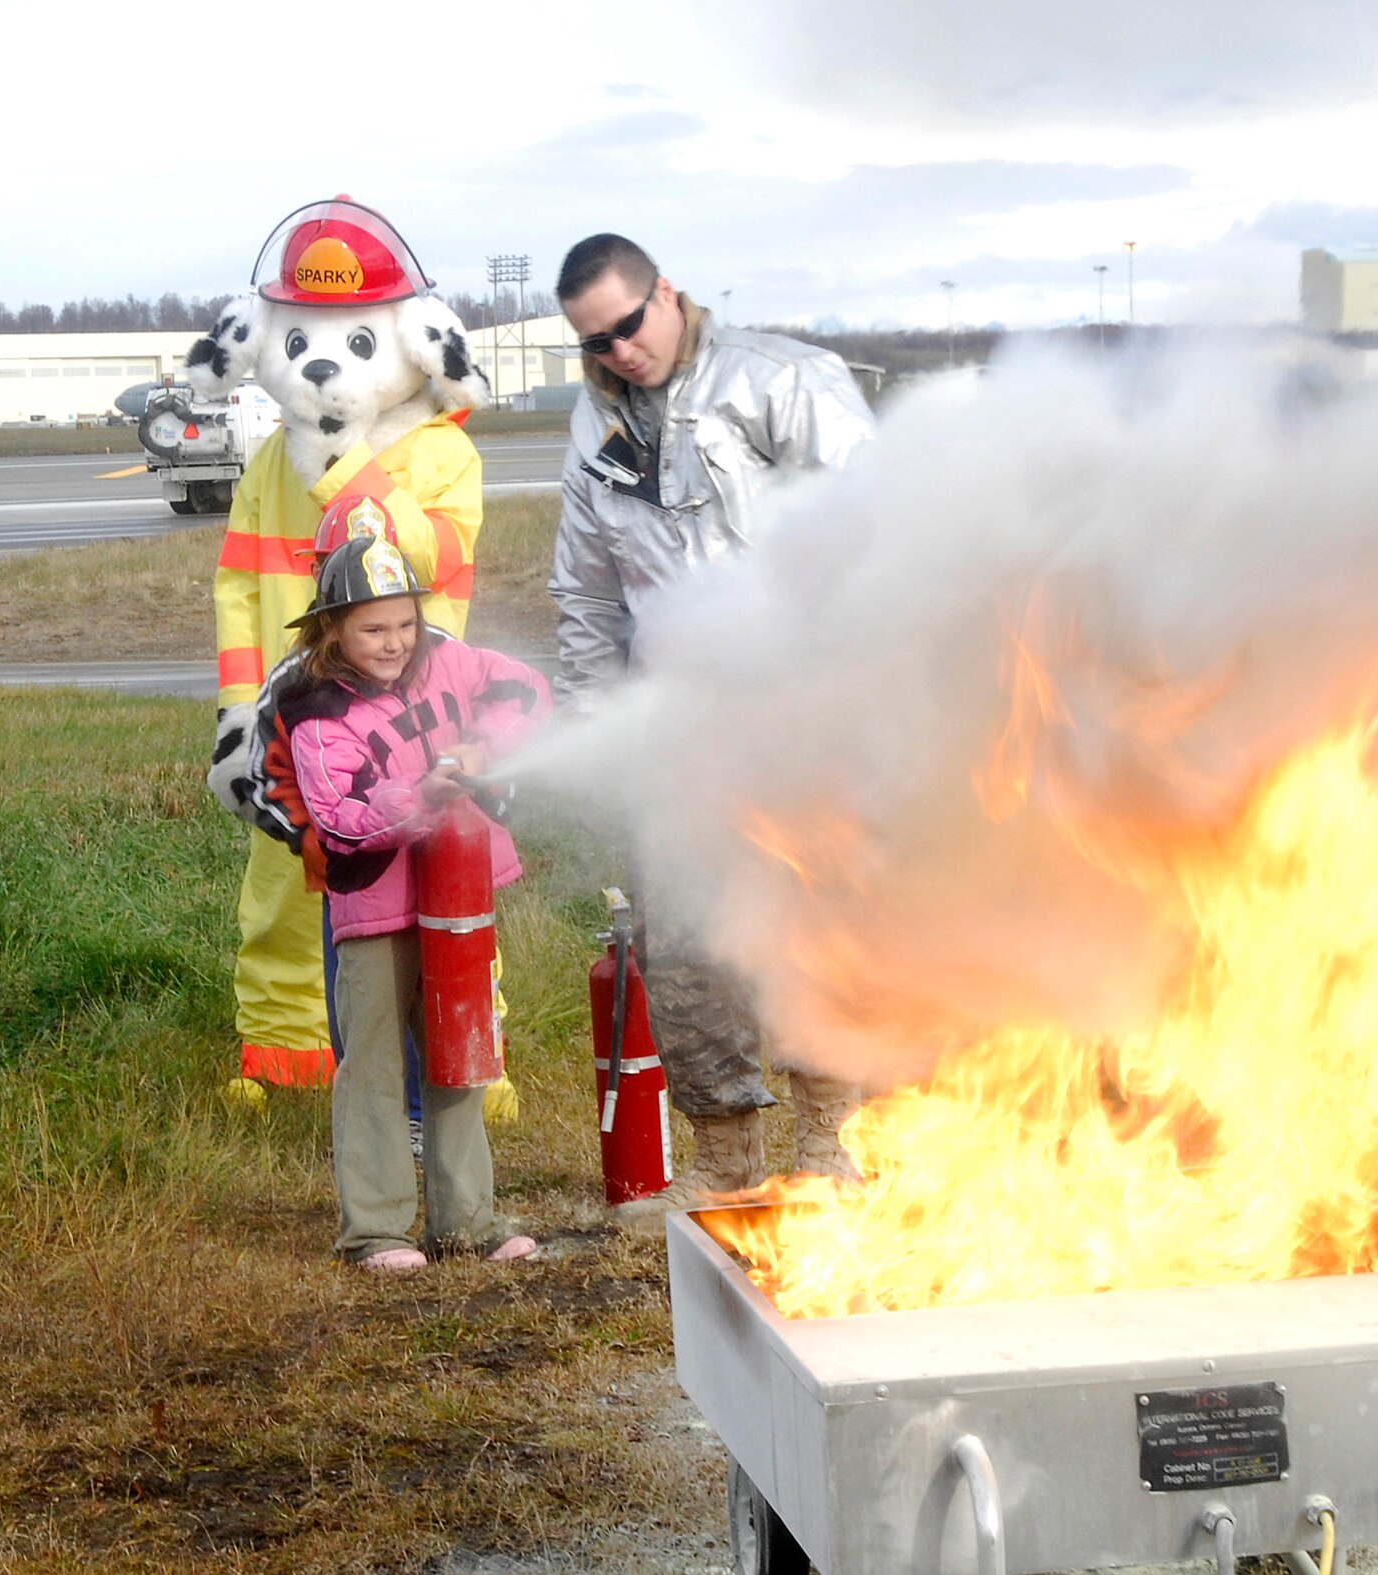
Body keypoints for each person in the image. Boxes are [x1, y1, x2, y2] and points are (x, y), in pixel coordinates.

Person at [549, 233, 875, 1205]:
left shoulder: (783, 382)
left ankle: (826, 1142)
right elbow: (586, 595)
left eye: (626, 325)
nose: (617, 351)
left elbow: (883, 529)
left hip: (803, 712)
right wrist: (590, 726)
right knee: (687, 944)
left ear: (667, 294)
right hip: (680, 729)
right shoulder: (592, 430)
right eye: (593, 341)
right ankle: (725, 1157)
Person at [190, 197, 492, 1099]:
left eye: (359, 342)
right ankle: (286, 1049)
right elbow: (240, 593)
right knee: (284, 883)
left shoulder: (439, 455)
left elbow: (431, 554)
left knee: (442, 879)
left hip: (417, 714)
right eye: (307, 340)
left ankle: (467, 1051)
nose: (325, 367)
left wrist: (344, 459)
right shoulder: (265, 466)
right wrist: (240, 719)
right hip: (301, 716)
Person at [282, 533, 549, 1270]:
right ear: (331, 627)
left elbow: (526, 692)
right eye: (373, 628)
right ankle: (376, 1229)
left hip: (458, 899)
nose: (395, 642)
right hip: (375, 911)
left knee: (459, 1050)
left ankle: (468, 1219)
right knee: (370, 1061)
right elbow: (337, 814)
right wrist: (418, 796)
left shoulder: (449, 660)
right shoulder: (313, 707)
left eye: (404, 623)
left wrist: (483, 750)